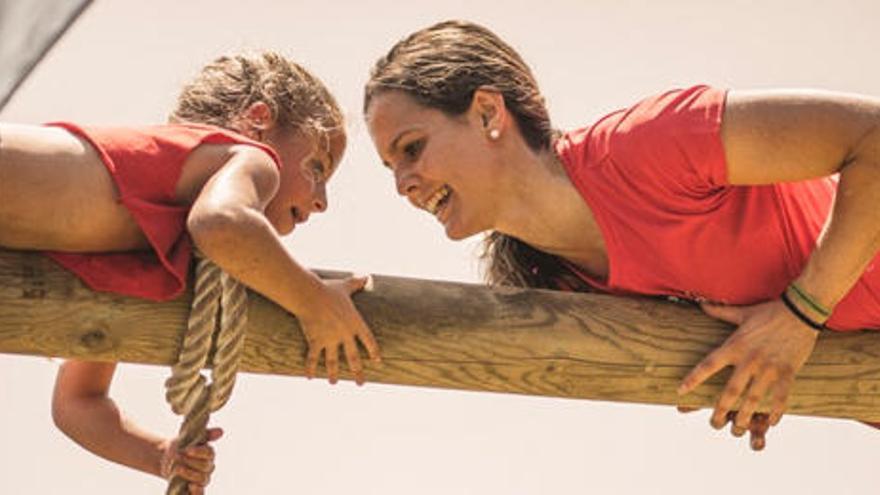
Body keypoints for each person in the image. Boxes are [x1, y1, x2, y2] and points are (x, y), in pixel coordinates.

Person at [363, 20, 880, 451]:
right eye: (390, 167)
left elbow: (872, 135)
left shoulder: (646, 146)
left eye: (411, 149)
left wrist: (800, 315)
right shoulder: (559, 287)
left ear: (486, 112)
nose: (402, 184)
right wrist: (763, 372)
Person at [0, 51, 379, 492]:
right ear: (258, 120)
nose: (321, 201)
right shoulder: (247, 157)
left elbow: (77, 402)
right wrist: (315, 303)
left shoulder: (143, 237)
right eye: (316, 166)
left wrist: (160, 456)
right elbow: (223, 224)